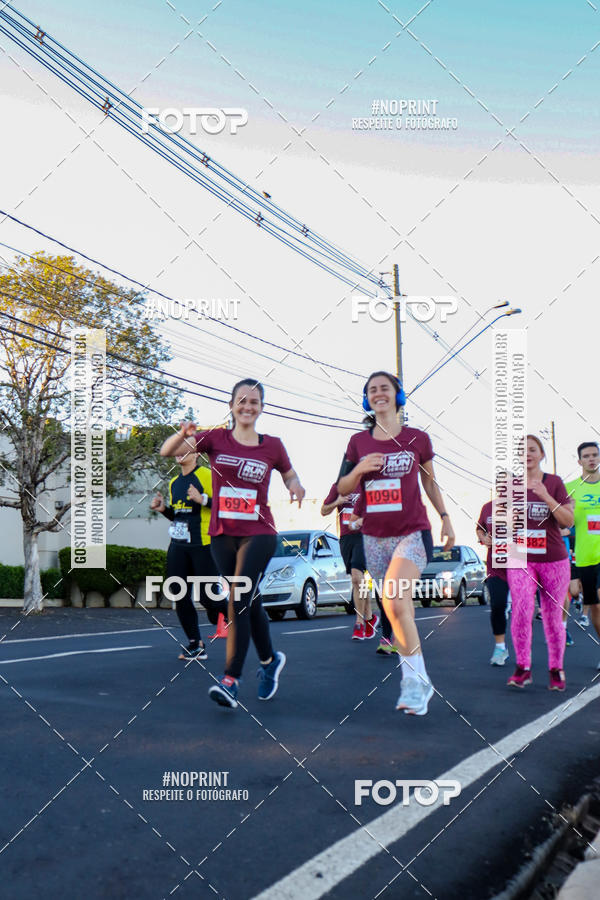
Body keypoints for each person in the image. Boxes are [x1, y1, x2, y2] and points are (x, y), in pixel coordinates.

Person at [160, 379, 305, 709]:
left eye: (254, 401)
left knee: (238, 596)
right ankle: (269, 662)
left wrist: (296, 486)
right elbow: (167, 451)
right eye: (242, 400)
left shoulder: (273, 445)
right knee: (248, 601)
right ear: (231, 405)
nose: (247, 406)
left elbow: (289, 475)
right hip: (222, 535)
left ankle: (231, 681)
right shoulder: (216, 439)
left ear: (261, 408)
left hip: (260, 531)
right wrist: (183, 434)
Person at [337, 371, 455, 716]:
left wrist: (446, 517)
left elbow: (431, 483)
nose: (378, 394)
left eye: (384, 388)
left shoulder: (418, 438)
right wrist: (359, 470)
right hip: (373, 538)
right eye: (372, 390)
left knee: (394, 600)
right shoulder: (358, 442)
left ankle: (414, 681)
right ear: (366, 399)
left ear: (398, 395)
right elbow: (343, 488)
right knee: (397, 608)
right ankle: (416, 679)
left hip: (413, 533)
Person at [506, 435, 574, 691]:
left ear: (541, 454)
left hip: (553, 559)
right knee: (522, 610)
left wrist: (546, 496)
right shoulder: (512, 485)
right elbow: (506, 524)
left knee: (552, 616)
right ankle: (522, 667)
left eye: (532, 449)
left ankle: (556, 669)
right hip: (521, 557)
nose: (527, 454)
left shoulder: (554, 482)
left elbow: (568, 521)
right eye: (522, 450)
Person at [150, 450, 225, 660]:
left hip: (204, 544)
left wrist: (203, 499)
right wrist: (164, 509)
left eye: (185, 450)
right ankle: (195, 644)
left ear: (197, 453)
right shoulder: (175, 482)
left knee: (208, 596)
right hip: (179, 545)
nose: (179, 454)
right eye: (177, 451)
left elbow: (224, 506)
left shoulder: (208, 475)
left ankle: (237, 616)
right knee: (178, 591)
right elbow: (179, 515)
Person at [320, 484, 379, 641]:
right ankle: (369, 617)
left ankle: (359, 623)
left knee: (356, 577)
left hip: (364, 536)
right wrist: (337, 501)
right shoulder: (339, 486)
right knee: (358, 580)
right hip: (346, 538)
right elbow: (324, 511)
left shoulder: (369, 484)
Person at [565, 442, 600, 665]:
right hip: (584, 558)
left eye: (595, 455)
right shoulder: (570, 489)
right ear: (579, 461)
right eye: (586, 456)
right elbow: (562, 528)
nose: (591, 459)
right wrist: (571, 571)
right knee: (594, 606)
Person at [476, 491, 510, 666]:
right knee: (497, 605)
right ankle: (500, 647)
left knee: (522, 611)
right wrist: (483, 538)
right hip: (496, 567)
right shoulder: (488, 507)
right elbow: (479, 529)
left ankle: (523, 648)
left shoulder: (523, 507)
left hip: (521, 566)